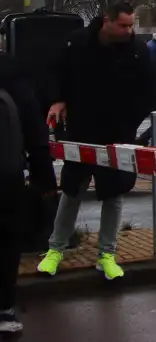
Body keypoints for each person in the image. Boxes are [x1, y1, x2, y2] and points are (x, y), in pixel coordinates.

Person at [38, 2, 156, 281]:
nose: (129, 31)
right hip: (81, 131)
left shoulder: (137, 52)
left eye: (131, 26)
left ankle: (107, 254)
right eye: (123, 25)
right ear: (107, 20)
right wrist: (57, 100)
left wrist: (129, 124)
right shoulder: (76, 43)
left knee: (113, 194)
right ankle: (55, 249)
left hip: (116, 135)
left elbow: (149, 91)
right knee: (72, 191)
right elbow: (56, 73)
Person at [0, 53, 56, 334]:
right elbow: (35, 132)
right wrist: (43, 176)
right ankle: (4, 309)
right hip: (7, 178)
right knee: (7, 242)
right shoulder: (12, 75)